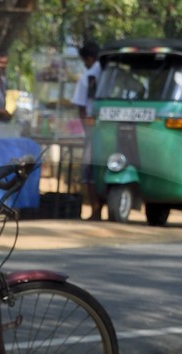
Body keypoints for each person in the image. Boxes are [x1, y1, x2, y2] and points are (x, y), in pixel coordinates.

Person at [70, 41, 104, 221]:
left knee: (89, 170)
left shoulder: (88, 76)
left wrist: (86, 130)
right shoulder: (109, 73)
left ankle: (96, 210)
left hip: (92, 128)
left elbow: (81, 107)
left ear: (88, 59)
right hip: (109, 128)